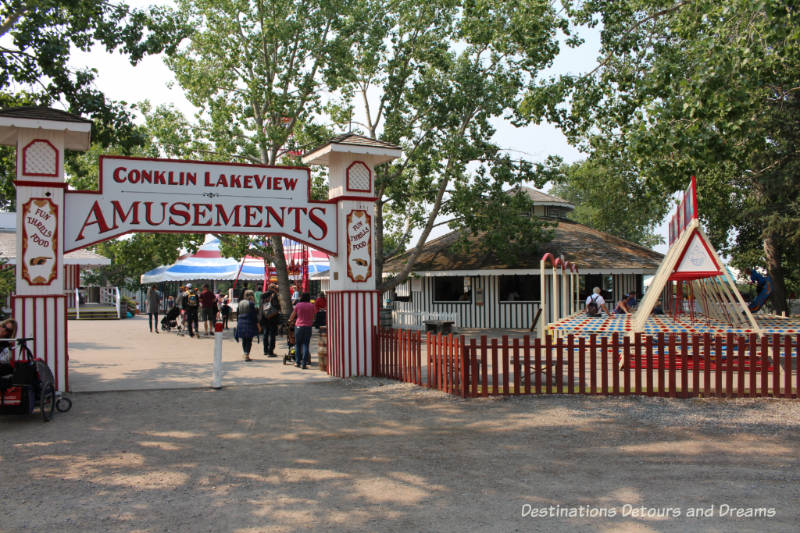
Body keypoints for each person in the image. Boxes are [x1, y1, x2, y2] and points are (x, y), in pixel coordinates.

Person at [289, 292, 315, 369]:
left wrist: (290, 320)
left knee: (298, 345)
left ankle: (297, 362)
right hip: (308, 327)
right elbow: (313, 316)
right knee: (306, 345)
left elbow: (293, 315)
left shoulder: (298, 305)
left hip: (299, 326)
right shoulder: (311, 305)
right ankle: (304, 363)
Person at [258, 283, 281, 357]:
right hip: (272, 317)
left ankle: (265, 350)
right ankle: (271, 351)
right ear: (274, 288)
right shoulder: (274, 295)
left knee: (265, 333)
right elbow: (276, 307)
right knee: (272, 334)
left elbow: (260, 306)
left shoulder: (262, 295)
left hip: (264, 317)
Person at [236, 289, 259, 361]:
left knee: (244, 339)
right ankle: (246, 354)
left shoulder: (240, 303)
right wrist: (258, 325)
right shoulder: (251, 304)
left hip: (240, 321)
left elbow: (237, 313)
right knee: (249, 340)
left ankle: (245, 353)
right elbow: (254, 316)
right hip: (249, 322)